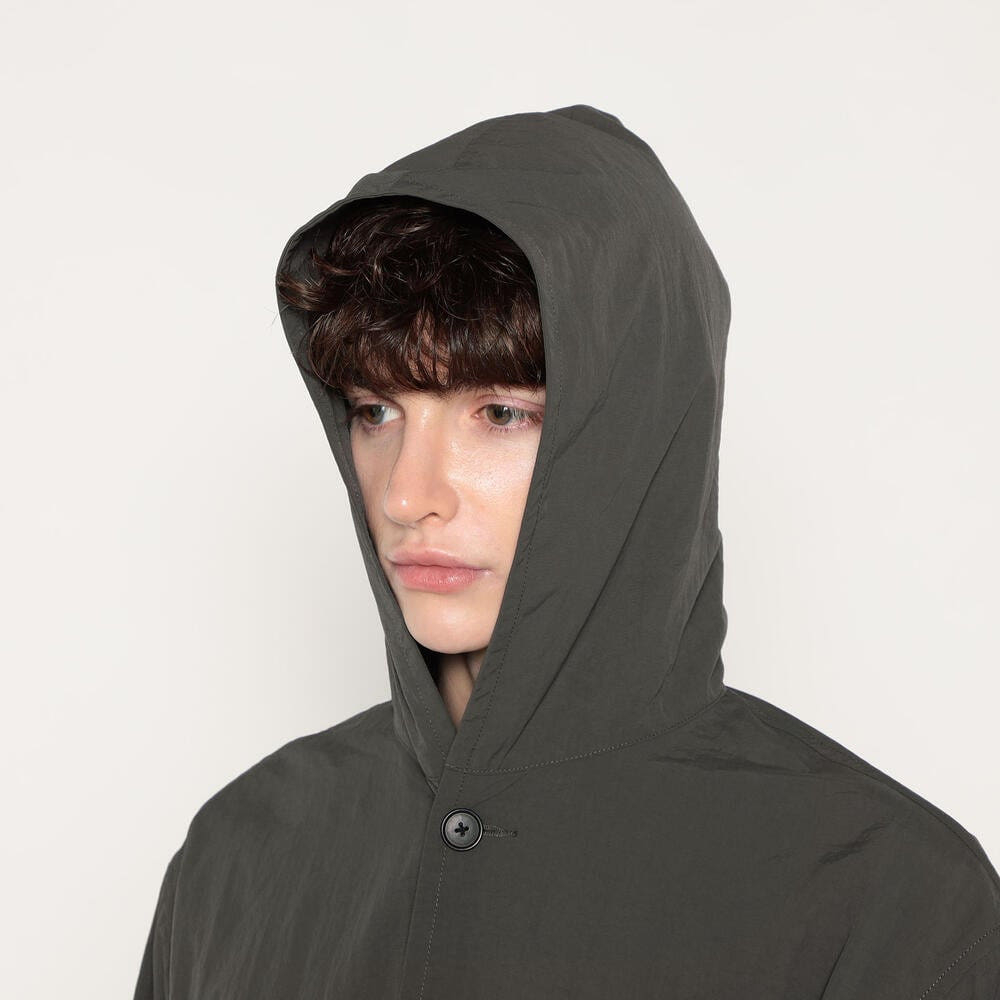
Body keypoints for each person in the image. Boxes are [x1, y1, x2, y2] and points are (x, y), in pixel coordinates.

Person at [133, 104, 1000, 998]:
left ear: (633, 430)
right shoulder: (238, 856)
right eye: (375, 411)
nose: (405, 495)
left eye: (500, 413)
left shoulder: (892, 902)